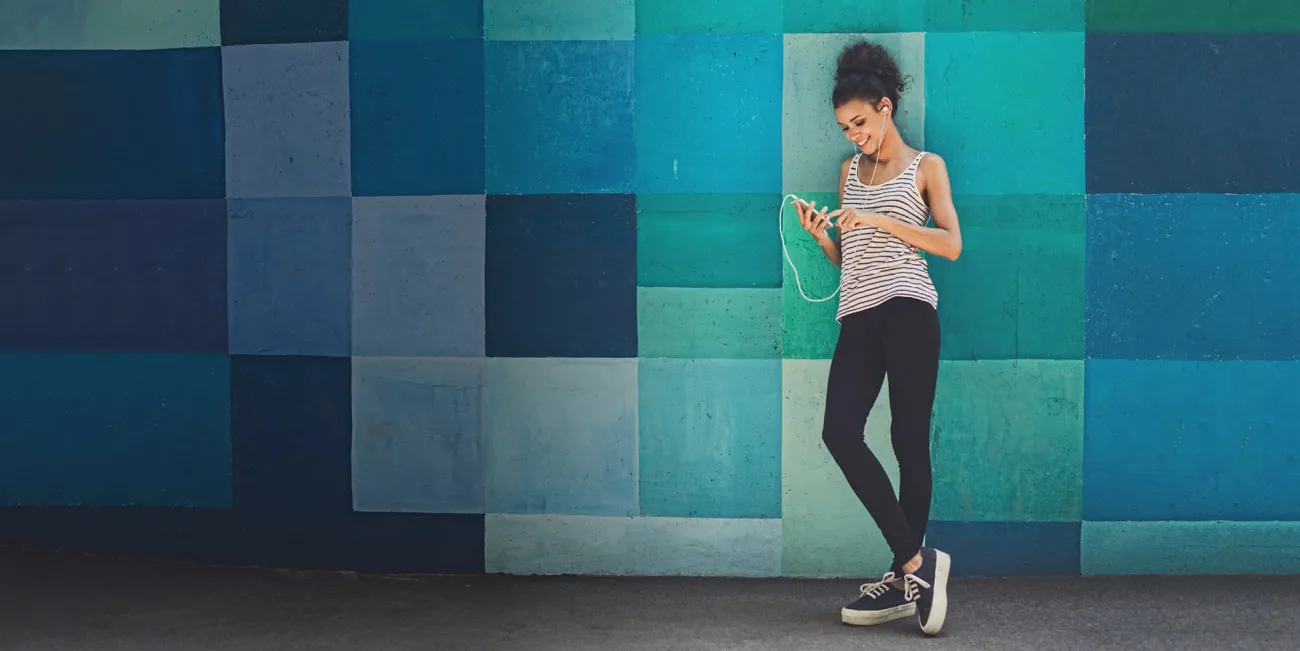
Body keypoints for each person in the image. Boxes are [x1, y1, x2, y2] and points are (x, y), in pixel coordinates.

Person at [792, 39, 962, 637]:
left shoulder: (926, 167)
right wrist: (823, 238)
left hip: (910, 308)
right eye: (845, 127)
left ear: (885, 108)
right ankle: (917, 564)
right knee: (839, 431)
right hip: (859, 313)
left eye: (860, 123)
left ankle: (898, 580)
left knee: (907, 439)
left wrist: (882, 219)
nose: (854, 135)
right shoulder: (848, 173)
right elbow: (855, 260)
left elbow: (951, 244)